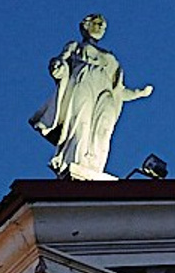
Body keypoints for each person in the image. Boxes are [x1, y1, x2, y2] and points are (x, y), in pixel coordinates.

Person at [31, 14, 153, 181]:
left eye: (103, 25)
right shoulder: (75, 46)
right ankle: (75, 163)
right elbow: (60, 62)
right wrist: (57, 66)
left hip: (106, 95)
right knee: (81, 125)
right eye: (97, 23)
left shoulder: (111, 59)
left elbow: (119, 90)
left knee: (103, 130)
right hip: (83, 85)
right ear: (85, 26)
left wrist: (139, 93)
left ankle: (94, 168)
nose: (101, 27)